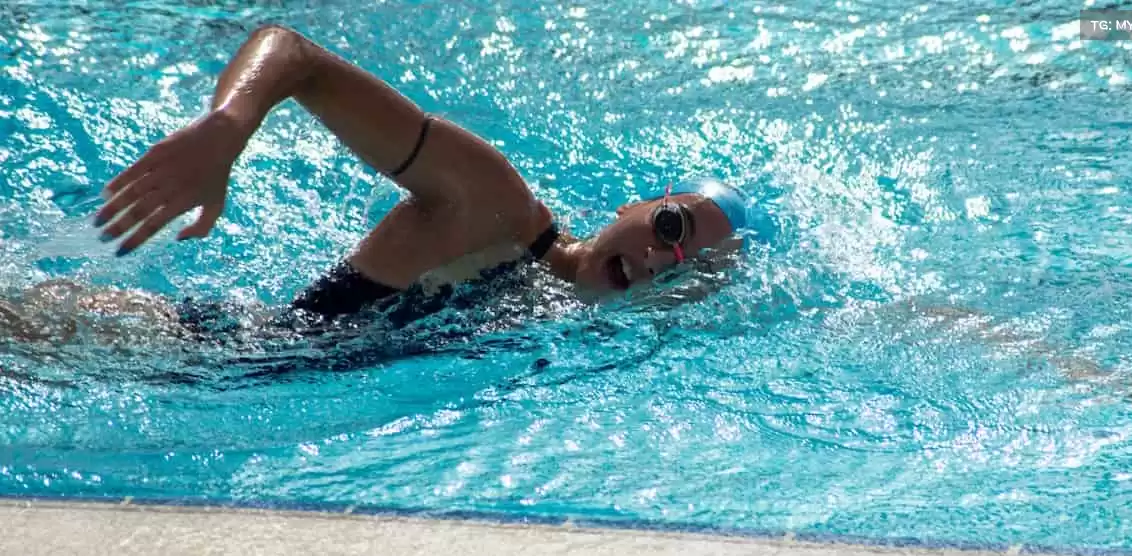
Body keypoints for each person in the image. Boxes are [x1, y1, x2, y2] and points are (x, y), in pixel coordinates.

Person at [1, 25, 759, 346]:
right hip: (168, 346)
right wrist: (226, 129)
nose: (667, 259)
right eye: (672, 227)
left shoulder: (555, 325)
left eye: (694, 270)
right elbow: (294, 55)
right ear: (633, 205)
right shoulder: (493, 205)